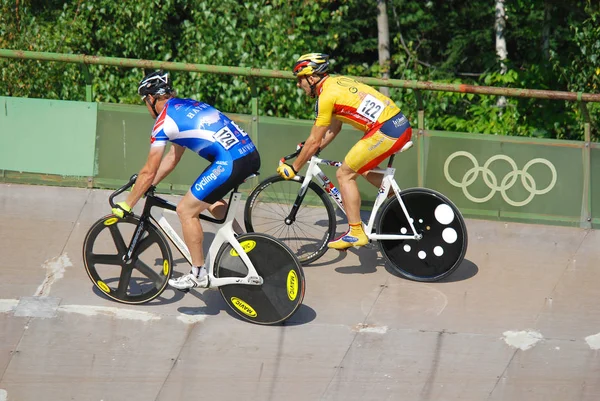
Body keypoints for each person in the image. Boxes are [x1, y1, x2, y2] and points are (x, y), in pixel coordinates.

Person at [112, 70, 260, 290]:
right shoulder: (187, 105)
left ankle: (198, 274)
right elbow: (173, 157)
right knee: (209, 200)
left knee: (186, 210)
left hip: (229, 161)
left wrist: (128, 203)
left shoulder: (163, 123)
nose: (146, 106)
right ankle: (249, 246)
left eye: (145, 101)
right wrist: (148, 186)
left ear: (152, 98)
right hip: (249, 154)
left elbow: (149, 170)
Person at [277, 53, 412, 251]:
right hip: (396, 124)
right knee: (361, 168)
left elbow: (315, 139)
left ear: (312, 78)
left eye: (300, 80)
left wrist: (294, 168)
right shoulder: (337, 82)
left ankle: (356, 232)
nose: (299, 85)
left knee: (344, 174)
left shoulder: (326, 97)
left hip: (386, 130)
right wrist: (312, 148)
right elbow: (333, 128)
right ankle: (399, 202)